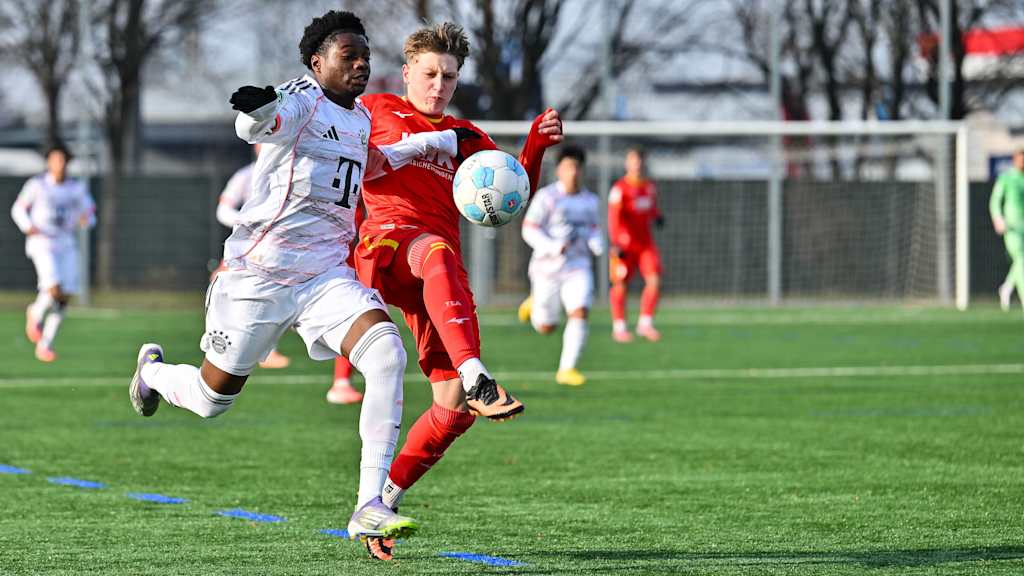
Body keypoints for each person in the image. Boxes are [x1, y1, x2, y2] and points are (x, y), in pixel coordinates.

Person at [126, 10, 468, 553]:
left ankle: (368, 505)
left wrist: (425, 146)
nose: (360, 65)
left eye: (365, 57)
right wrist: (256, 109)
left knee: (386, 354)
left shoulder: (357, 117)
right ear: (316, 62)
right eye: (347, 56)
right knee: (212, 400)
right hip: (259, 277)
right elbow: (261, 122)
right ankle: (154, 374)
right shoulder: (302, 99)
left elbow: (370, 163)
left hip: (324, 276)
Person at [353, 21, 562, 556]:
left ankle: (381, 505)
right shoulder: (374, 108)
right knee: (437, 252)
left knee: (452, 408)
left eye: (448, 76)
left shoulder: (469, 138)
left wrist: (534, 145)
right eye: (429, 74)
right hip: (387, 244)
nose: (438, 85)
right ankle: (477, 374)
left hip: (435, 272)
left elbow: (513, 190)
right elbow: (359, 161)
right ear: (407, 73)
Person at [520, 145, 603, 386]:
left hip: (578, 266)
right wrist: (552, 246)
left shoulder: (590, 201)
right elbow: (529, 229)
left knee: (580, 310)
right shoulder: (547, 198)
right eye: (568, 167)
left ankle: (567, 369)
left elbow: (594, 230)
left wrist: (598, 245)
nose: (573, 172)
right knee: (546, 326)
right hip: (547, 268)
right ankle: (535, 304)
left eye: (577, 167)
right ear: (558, 170)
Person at [10, 141, 95, 362]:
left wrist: (87, 219)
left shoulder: (76, 188)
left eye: (63, 160)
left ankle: (45, 343)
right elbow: (18, 208)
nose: (59, 164)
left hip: (66, 244)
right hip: (42, 242)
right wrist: (27, 225)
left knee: (64, 296)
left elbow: (89, 210)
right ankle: (35, 312)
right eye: (55, 159)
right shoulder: (37, 185)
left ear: (68, 162)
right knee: (54, 288)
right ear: (49, 162)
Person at [214, 143, 292, 370]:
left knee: (275, 297)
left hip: (281, 249)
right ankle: (221, 346)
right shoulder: (246, 175)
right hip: (247, 248)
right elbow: (223, 210)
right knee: (224, 292)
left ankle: (267, 350)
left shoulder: (292, 172)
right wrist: (250, 223)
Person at [608, 146, 664, 342]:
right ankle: (619, 327)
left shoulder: (649, 187)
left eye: (640, 160)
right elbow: (613, 218)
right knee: (620, 284)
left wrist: (657, 217)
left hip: (645, 244)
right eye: (633, 160)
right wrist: (616, 243)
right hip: (625, 245)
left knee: (654, 281)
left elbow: (651, 209)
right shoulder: (619, 190)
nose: (637, 164)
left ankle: (645, 324)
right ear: (627, 163)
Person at [991, 148, 1024, 312]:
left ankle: (1007, 287)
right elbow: (995, 200)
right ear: (1015, 160)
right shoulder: (1006, 178)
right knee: (1021, 258)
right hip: (1012, 227)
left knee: (1020, 261)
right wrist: (998, 218)